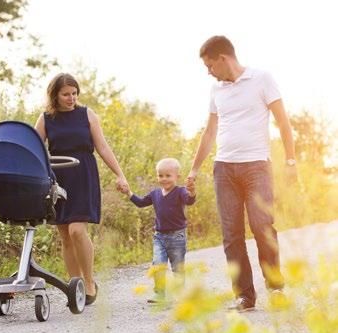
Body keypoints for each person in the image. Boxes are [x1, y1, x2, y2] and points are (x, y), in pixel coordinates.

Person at [187, 35, 297, 312]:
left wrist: (291, 162)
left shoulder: (262, 79)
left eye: (210, 65)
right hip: (224, 169)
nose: (208, 72)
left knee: (262, 226)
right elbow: (209, 131)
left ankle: (276, 289)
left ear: (223, 59)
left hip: (257, 166)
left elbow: (283, 122)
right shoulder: (216, 90)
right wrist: (193, 169)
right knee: (231, 235)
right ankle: (244, 296)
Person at [35, 73, 128, 305]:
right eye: (66, 94)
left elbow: (103, 147)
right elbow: (34, 149)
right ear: (55, 95)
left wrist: (120, 174)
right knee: (65, 234)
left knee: (77, 229)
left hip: (83, 173)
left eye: (74, 93)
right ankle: (74, 286)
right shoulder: (45, 118)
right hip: (57, 176)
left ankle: (88, 283)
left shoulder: (87, 114)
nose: (71, 98)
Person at [124, 158, 196, 303]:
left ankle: (180, 294)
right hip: (159, 237)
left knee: (177, 268)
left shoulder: (181, 191)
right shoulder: (155, 194)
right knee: (158, 266)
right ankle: (159, 294)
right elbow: (140, 203)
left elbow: (189, 201)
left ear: (177, 176)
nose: (164, 179)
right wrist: (129, 193)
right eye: (160, 175)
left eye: (168, 176)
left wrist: (192, 192)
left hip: (177, 237)